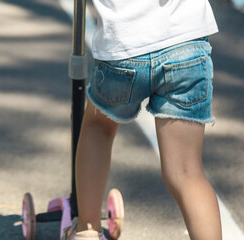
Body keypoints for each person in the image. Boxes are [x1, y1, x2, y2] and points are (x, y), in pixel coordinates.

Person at [63, 0, 222, 239]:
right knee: (186, 171)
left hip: (124, 46)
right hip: (186, 43)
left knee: (99, 127)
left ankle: (87, 229)